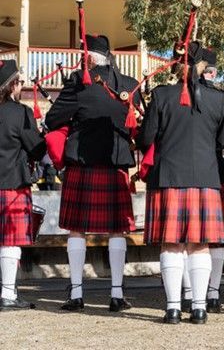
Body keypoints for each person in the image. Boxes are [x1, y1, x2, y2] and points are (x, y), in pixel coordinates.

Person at [44, 35, 141, 312]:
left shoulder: (78, 82)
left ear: (88, 58)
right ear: (109, 57)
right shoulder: (130, 85)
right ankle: (117, 294)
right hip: (115, 162)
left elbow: (53, 119)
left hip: (82, 163)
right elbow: (138, 127)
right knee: (117, 229)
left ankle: (76, 294)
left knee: (77, 229)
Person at [136, 41, 224, 324]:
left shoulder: (161, 96)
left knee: (171, 245)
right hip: (205, 177)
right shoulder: (219, 99)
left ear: (177, 64)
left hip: (169, 177)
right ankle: (199, 308)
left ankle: (173, 308)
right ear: (202, 66)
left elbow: (145, 140)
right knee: (200, 245)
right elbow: (221, 141)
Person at [181, 49, 224, 314]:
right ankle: (214, 293)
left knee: (182, 238)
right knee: (215, 240)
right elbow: (222, 140)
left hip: (181, 171)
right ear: (213, 70)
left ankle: (186, 293)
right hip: (215, 169)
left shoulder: (171, 94)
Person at [0, 60, 46, 310]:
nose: (21, 87)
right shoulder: (21, 113)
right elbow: (37, 149)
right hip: (12, 184)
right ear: (11, 86)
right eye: (18, 83)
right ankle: (7, 294)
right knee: (9, 241)